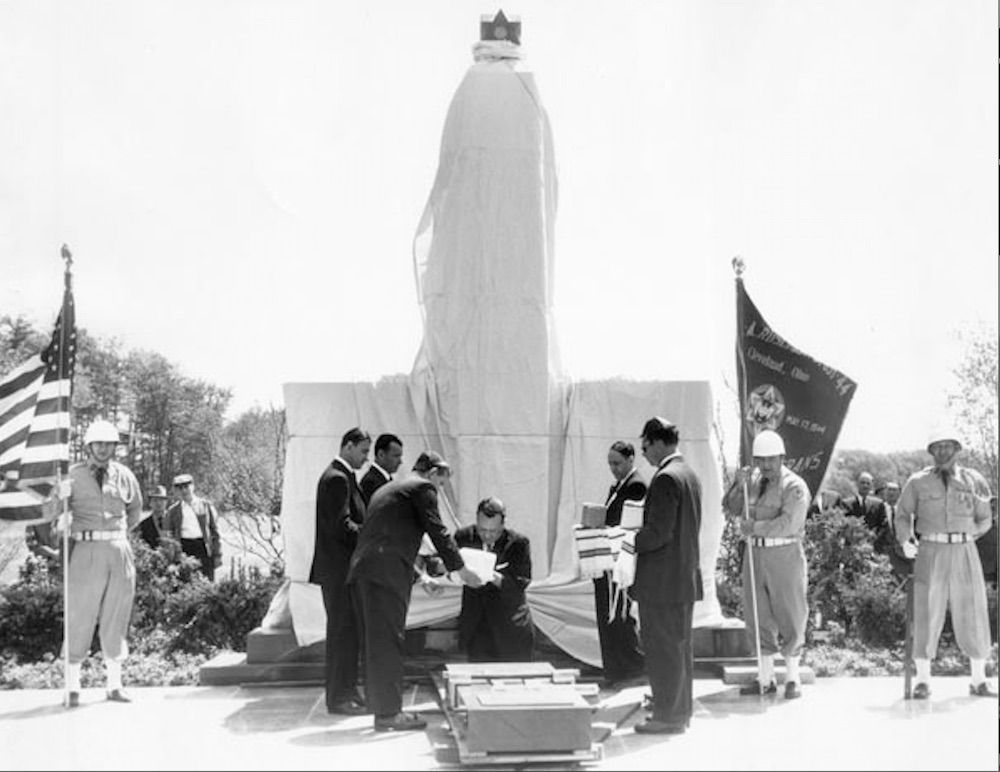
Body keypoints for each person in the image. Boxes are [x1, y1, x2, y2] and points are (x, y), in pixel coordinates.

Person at [347, 450, 483, 732]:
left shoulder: (390, 489)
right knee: (388, 642)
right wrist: (461, 569)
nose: (440, 490)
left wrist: (421, 575)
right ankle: (390, 714)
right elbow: (438, 531)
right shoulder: (422, 488)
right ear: (433, 473)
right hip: (384, 576)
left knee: (375, 644)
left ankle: (381, 709)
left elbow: (391, 537)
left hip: (364, 573)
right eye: (442, 482)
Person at [895, 430, 995, 698]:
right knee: (927, 610)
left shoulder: (974, 480)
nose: (942, 452)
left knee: (973, 608)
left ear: (957, 448)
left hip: (964, 549)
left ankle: (978, 679)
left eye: (947, 446)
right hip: (931, 548)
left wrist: (966, 534)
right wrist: (906, 539)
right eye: (937, 447)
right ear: (931, 451)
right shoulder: (918, 482)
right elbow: (902, 514)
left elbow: (986, 518)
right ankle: (923, 681)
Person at [723, 428, 810, 700]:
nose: (766, 465)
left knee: (790, 613)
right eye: (761, 459)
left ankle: (793, 677)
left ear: (782, 457)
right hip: (755, 555)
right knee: (757, 613)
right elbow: (732, 507)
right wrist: (738, 485)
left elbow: (789, 523)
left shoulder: (794, 486)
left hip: (783, 554)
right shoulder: (754, 481)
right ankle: (765, 677)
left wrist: (755, 527)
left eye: (771, 459)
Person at [64, 419, 143, 707]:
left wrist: (116, 537)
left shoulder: (125, 476)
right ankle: (72, 686)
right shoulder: (71, 475)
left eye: (109, 444)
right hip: (85, 550)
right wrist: (59, 497)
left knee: (116, 615)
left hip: (118, 551)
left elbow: (135, 510)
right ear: (88, 446)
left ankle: (114, 685)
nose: (103, 449)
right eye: (98, 444)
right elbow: (50, 510)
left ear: (114, 447)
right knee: (80, 614)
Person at [630, 417, 702, 735]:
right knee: (680, 648)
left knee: (662, 649)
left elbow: (659, 534)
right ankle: (679, 709)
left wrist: (627, 539)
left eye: (644, 446)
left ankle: (667, 716)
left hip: (661, 583)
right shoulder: (689, 474)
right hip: (682, 579)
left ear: (658, 442)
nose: (644, 453)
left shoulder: (665, 479)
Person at [308, 427, 371, 716]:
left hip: (345, 572)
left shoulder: (343, 477)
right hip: (338, 572)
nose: (366, 458)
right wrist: (372, 535)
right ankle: (338, 698)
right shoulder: (336, 479)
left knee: (349, 634)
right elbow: (341, 526)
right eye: (363, 451)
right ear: (348, 446)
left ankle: (347, 690)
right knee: (341, 635)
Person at [454, 496, 535, 662]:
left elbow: (521, 583)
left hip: (510, 625)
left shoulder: (518, 543)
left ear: (503, 525)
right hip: (477, 626)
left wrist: (490, 574)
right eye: (482, 530)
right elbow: (444, 565)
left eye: (494, 531)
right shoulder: (464, 537)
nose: (487, 536)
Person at [594, 440, 646, 687]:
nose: (613, 469)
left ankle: (631, 669)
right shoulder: (618, 486)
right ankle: (615, 670)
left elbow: (628, 523)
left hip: (621, 560)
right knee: (608, 615)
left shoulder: (636, 486)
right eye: (610, 464)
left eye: (617, 463)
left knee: (620, 615)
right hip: (607, 557)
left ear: (630, 460)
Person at [163, 473, 222, 580]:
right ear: (176, 491)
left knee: (206, 581)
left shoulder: (205, 505)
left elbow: (215, 531)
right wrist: (172, 558)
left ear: (193, 486)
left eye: (186, 487)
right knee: (186, 582)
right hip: (184, 548)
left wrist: (217, 554)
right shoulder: (173, 511)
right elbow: (169, 536)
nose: (184, 491)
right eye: (180, 488)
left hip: (203, 547)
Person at [839, 471, 888, 548]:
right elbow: (843, 525)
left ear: (871, 486)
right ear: (857, 484)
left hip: (872, 546)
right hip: (851, 546)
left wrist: (875, 536)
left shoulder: (879, 504)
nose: (865, 485)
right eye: (862, 483)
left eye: (868, 483)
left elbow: (883, 525)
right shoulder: (846, 503)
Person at [359, 433, 404, 505]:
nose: (400, 462)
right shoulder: (370, 483)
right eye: (396, 456)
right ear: (381, 455)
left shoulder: (386, 479)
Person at [135, 484, 168, 549]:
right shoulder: (143, 525)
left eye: (161, 500)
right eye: (155, 500)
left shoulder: (174, 520)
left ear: (166, 502)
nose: (158, 503)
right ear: (150, 503)